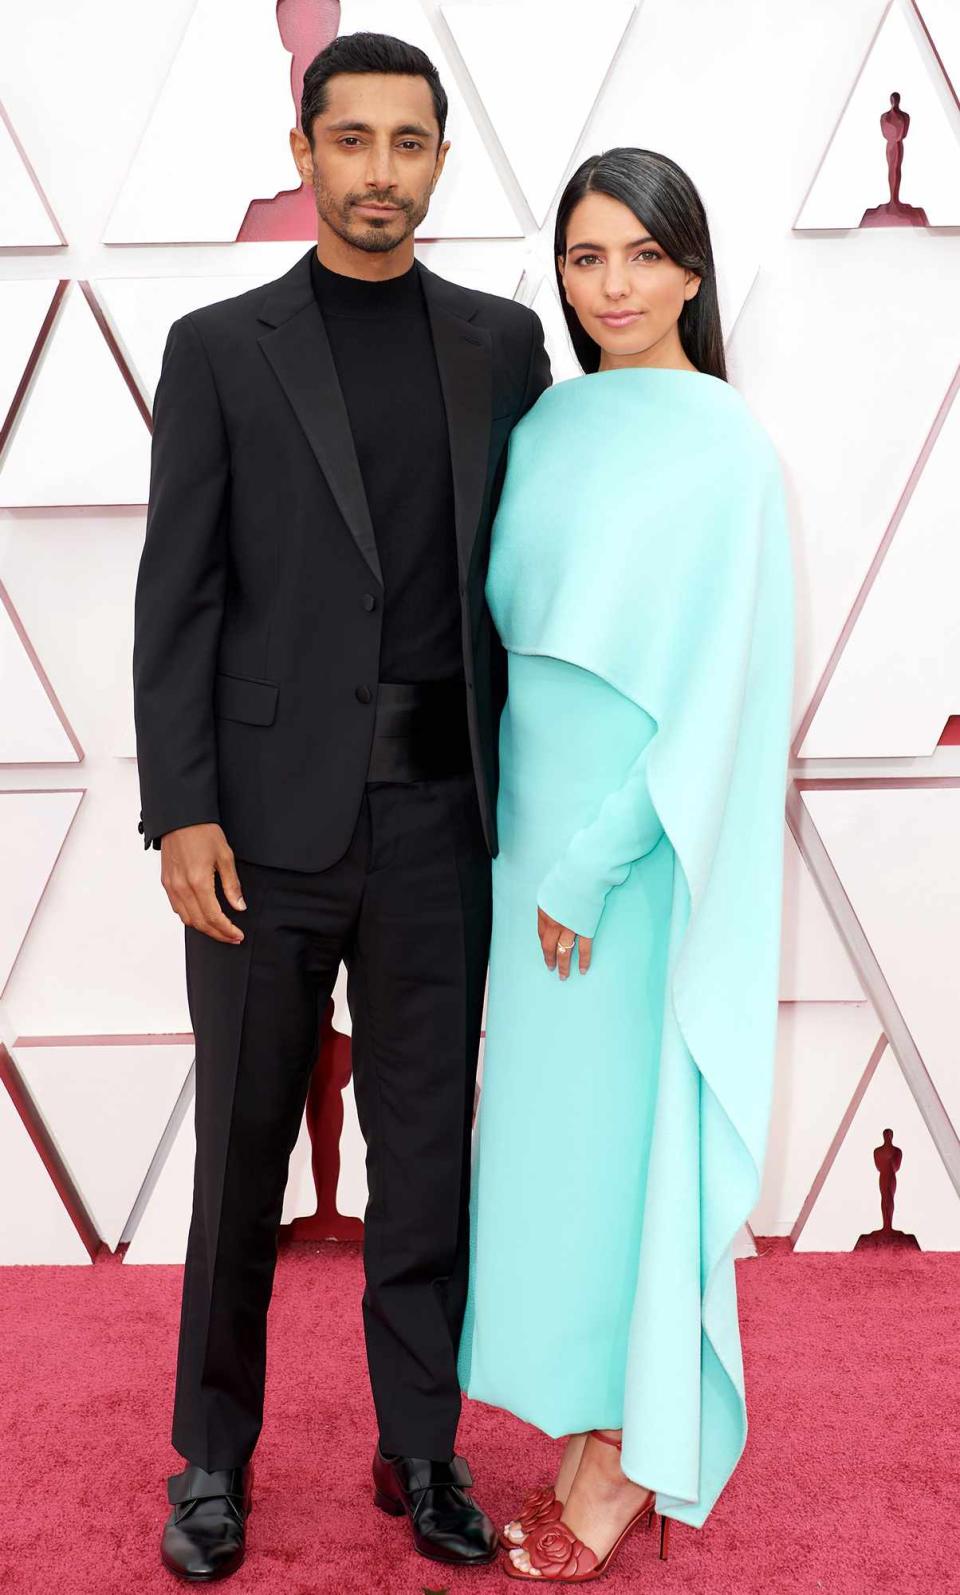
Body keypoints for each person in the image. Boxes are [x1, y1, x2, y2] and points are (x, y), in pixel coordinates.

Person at [132, 29, 550, 1583]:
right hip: (257, 829)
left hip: (442, 817)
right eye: (352, 139)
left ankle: (421, 1447)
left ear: (442, 158)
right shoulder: (221, 347)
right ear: (304, 147)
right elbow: (177, 598)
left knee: (427, 1150)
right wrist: (181, 809)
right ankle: (211, 1461)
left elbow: (528, 588)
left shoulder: (504, 346)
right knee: (244, 1157)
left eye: (409, 142)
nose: (381, 170)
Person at [456, 148, 794, 1582]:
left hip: (627, 868)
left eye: (644, 257)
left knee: (632, 1156)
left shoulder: (729, 447)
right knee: (560, 1166)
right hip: (523, 851)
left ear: (693, 270)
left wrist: (593, 867)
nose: (615, 287)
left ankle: (629, 1465)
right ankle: (593, 1430)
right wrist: (527, 859)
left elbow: (714, 695)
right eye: (588, 257)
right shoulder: (543, 427)